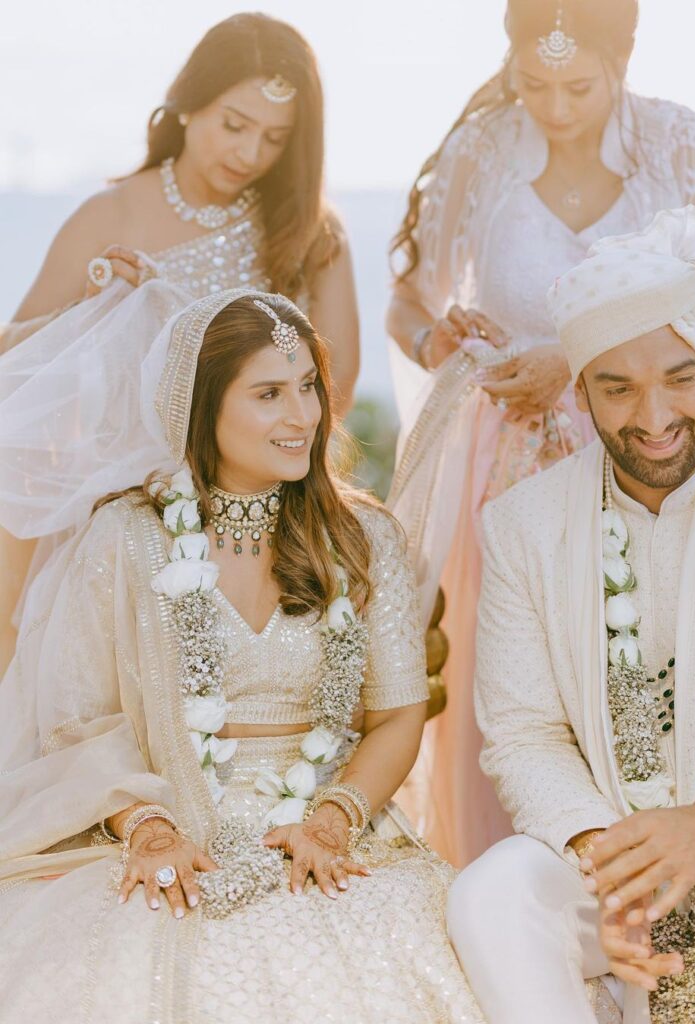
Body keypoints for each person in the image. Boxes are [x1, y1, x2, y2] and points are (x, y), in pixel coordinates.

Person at [0, 286, 481, 1024]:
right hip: (163, 817)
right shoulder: (127, 539)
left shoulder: (361, 538)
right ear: (202, 408)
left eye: (309, 387)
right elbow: (80, 724)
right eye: (269, 393)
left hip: (326, 828)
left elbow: (397, 716)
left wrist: (331, 821)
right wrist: (149, 830)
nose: (303, 417)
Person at [386, 0, 695, 867]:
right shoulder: (481, 152)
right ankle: (508, 896)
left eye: (576, 84)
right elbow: (410, 301)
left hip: (640, 445)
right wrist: (441, 340)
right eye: (532, 82)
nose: (552, 105)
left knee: (642, 672)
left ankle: (649, 877)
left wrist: (573, 359)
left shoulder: (683, 147)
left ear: (623, 57)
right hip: (503, 468)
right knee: (514, 699)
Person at [445, 207, 695, 1023]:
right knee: (495, 892)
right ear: (581, 392)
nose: (653, 418)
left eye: (681, 377)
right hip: (609, 876)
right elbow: (524, 733)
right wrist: (604, 859)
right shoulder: (524, 526)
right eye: (617, 387)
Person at [0, 11, 360, 675]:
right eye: (234, 124)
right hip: (120, 513)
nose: (249, 154)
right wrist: (95, 311)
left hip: (263, 513)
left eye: (275, 138)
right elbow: (13, 364)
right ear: (189, 103)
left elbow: (336, 387)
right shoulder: (110, 216)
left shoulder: (310, 232)